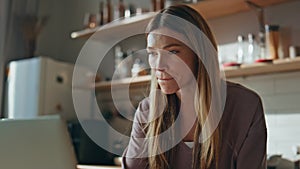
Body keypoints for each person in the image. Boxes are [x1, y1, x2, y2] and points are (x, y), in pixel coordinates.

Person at [121, 4, 267, 169]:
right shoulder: (147, 112)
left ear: (200, 54)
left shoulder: (245, 106)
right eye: (153, 53)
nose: (159, 65)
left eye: (173, 52)